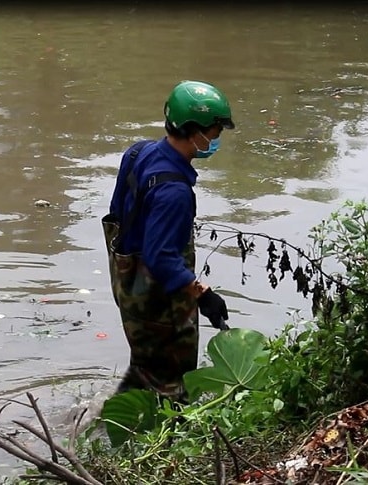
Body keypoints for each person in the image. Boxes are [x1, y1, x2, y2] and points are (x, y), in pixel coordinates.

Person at [101, 80, 235, 402]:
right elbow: (161, 257)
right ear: (195, 132)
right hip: (157, 300)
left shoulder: (138, 152)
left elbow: (118, 214)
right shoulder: (174, 192)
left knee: (146, 366)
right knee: (171, 385)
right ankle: (168, 444)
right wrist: (203, 295)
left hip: (126, 283)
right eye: (214, 133)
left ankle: (113, 422)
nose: (216, 140)